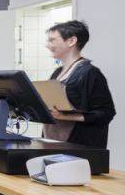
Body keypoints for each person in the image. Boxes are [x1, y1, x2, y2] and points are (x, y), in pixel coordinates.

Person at [44, 20, 115, 148]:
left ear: (71, 41)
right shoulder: (57, 73)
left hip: (78, 146)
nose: (47, 45)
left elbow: (106, 113)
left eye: (52, 40)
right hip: (53, 142)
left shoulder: (90, 73)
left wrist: (65, 116)